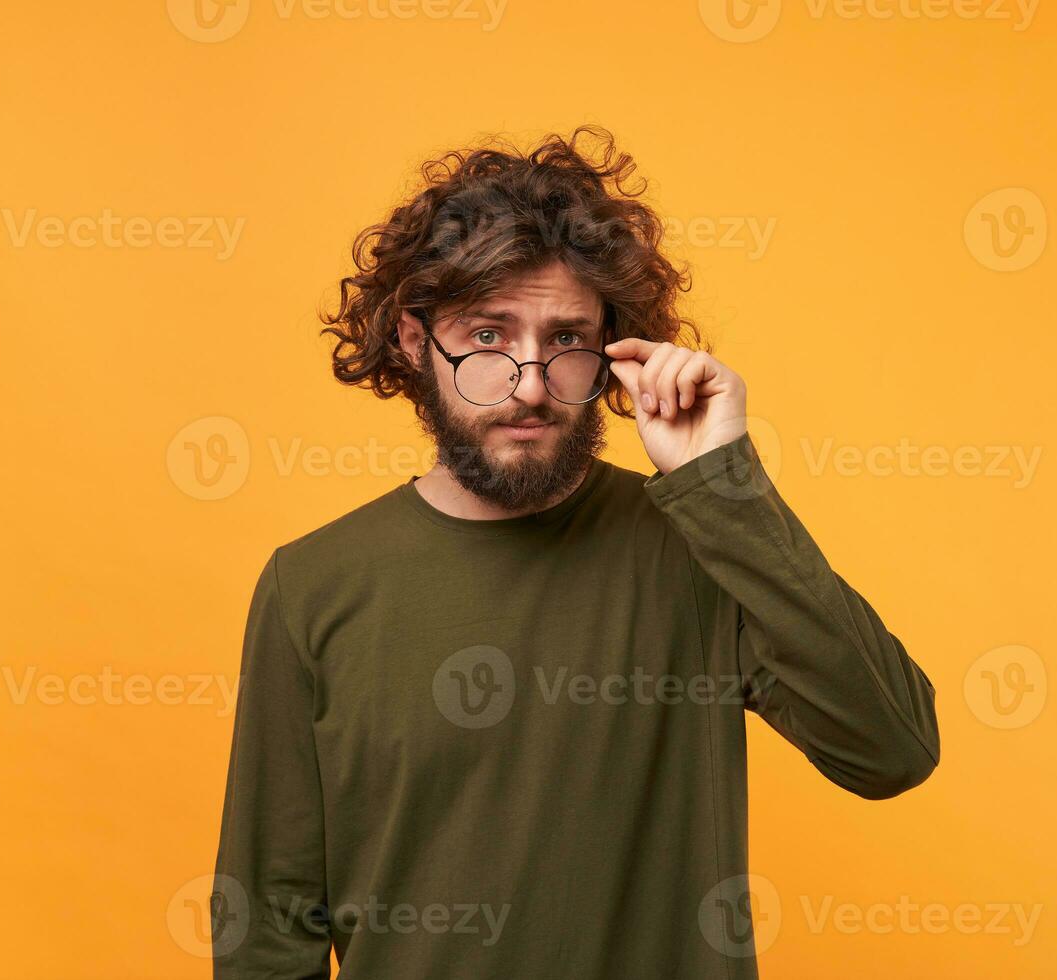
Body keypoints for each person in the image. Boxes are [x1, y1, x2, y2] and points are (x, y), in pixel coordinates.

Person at [210, 125, 939, 979]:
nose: (529, 382)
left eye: (565, 341)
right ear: (415, 343)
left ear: (614, 349)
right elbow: (268, 924)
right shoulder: (312, 586)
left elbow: (891, 750)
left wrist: (726, 485)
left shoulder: (698, 541)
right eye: (487, 337)